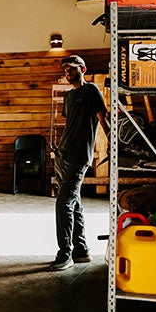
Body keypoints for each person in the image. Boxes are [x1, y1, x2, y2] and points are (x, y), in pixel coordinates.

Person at [48, 54, 110, 272]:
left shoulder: (91, 91)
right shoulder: (69, 96)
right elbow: (71, 125)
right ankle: (81, 250)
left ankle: (64, 254)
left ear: (83, 69)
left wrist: (113, 144)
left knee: (63, 202)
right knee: (74, 201)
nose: (68, 72)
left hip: (79, 157)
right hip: (63, 155)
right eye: (65, 69)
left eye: (72, 69)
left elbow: (103, 119)